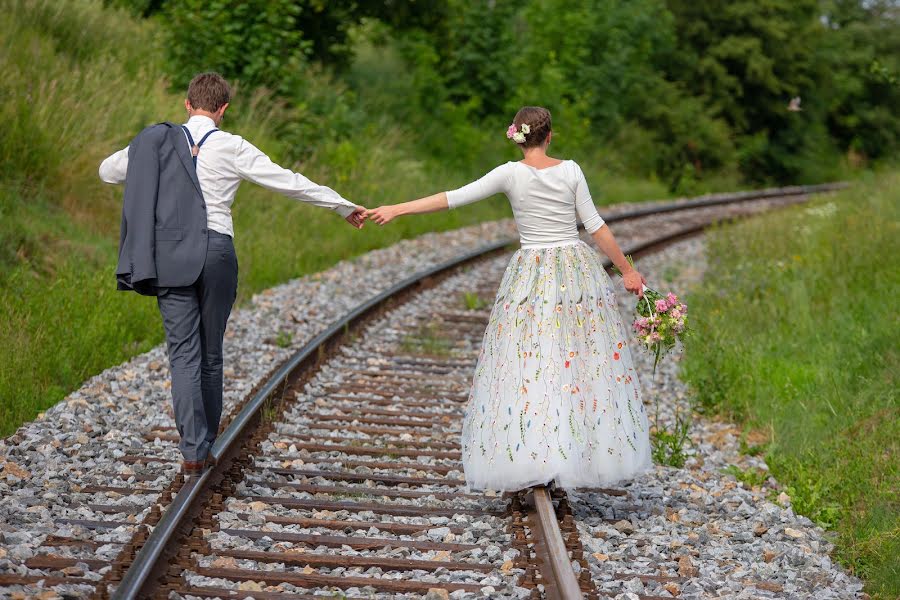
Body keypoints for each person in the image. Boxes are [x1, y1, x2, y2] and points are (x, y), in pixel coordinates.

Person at [366, 106, 652, 492]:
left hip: (530, 276)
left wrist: (397, 208)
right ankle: (571, 448)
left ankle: (534, 449)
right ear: (550, 136)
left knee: (530, 360)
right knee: (577, 361)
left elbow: (453, 198)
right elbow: (596, 226)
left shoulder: (509, 173)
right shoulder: (571, 170)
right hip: (574, 273)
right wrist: (627, 271)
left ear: (519, 136)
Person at [99, 72, 366, 476]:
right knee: (211, 353)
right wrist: (342, 205)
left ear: (187, 105)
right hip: (217, 252)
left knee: (183, 354)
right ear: (223, 109)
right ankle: (206, 443)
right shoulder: (232, 146)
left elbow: (108, 171)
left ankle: (192, 450)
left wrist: (148, 155)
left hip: (170, 256)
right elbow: (289, 182)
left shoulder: (155, 141)